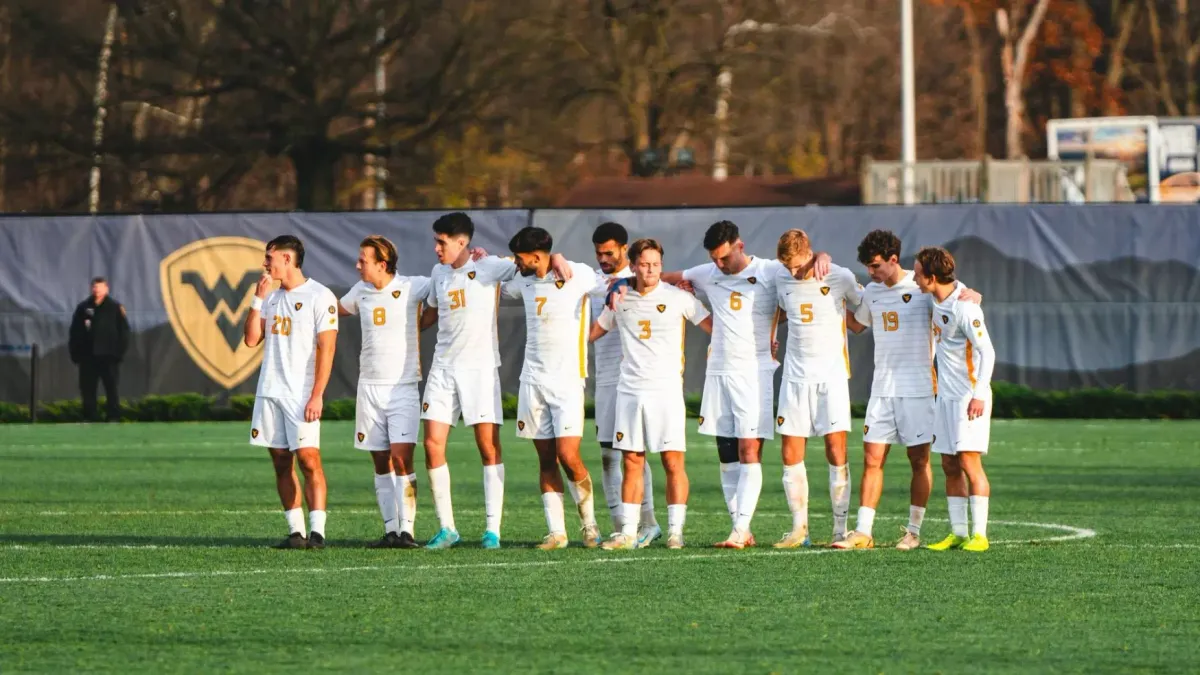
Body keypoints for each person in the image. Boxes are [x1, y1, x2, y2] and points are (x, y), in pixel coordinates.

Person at [420, 212, 570, 550]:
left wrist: (557, 255)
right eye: (436, 241)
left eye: (441, 242)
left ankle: (492, 531)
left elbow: (534, 262)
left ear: (462, 242)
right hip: (442, 369)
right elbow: (430, 311)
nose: (436, 249)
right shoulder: (438, 273)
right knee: (431, 445)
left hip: (480, 370)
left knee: (488, 448)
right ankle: (447, 528)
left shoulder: (491, 267)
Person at [833, 230, 980, 551]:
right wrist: (826, 300)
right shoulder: (872, 292)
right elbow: (858, 325)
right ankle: (863, 532)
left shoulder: (923, 285)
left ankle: (913, 532)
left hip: (920, 391)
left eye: (875, 266)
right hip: (882, 390)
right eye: (868, 267)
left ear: (893, 260)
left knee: (918, 461)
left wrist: (975, 295)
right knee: (872, 458)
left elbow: (959, 295)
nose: (871, 273)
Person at [590, 238, 713, 550]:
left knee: (673, 462)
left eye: (656, 264)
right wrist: (565, 343)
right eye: (644, 264)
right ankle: (628, 534)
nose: (651, 270)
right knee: (631, 460)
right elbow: (596, 331)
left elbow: (712, 325)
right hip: (629, 391)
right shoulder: (619, 297)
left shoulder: (677, 297)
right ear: (633, 265)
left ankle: (675, 532)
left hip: (666, 391)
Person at [504, 226, 602, 549]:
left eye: (521, 258)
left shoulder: (577, 275)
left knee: (568, 455)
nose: (516, 263)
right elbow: (496, 279)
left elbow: (609, 280)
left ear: (536, 256)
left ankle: (590, 525)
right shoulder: (522, 279)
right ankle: (557, 532)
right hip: (532, 381)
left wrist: (559, 257)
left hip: (568, 381)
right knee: (545, 459)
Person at [243, 235, 339, 549]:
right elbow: (250, 339)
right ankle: (296, 532)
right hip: (270, 391)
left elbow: (327, 349)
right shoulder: (270, 297)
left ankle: (318, 533)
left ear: (287, 259)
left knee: (309, 460)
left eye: (269, 258)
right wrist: (257, 300)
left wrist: (317, 394)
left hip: (301, 394)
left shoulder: (319, 295)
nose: (265, 264)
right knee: (281, 461)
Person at [771, 229, 864, 547]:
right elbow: (778, 309)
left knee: (836, 450)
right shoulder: (780, 277)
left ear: (809, 252)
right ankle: (799, 530)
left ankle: (840, 530)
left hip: (831, 378)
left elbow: (864, 311)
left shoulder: (840, 276)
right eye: (788, 267)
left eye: (798, 266)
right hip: (794, 379)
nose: (793, 273)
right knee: (789, 452)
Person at [339, 235, 432, 549]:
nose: (357, 265)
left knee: (402, 459)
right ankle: (391, 530)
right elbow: (330, 311)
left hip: (403, 388)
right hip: (369, 388)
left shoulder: (413, 286)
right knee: (380, 462)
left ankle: (408, 530)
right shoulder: (359, 292)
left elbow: (444, 292)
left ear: (383, 264)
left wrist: (422, 323)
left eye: (363, 260)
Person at [913, 247, 995, 553]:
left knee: (969, 463)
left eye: (918, 274)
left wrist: (978, 394)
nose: (915, 279)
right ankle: (959, 533)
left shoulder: (966, 307)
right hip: (945, 398)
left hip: (968, 398)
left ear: (932, 278)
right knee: (949, 464)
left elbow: (987, 352)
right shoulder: (936, 298)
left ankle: (980, 535)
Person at [589, 222, 660, 547]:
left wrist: (622, 282)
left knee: (634, 453)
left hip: (634, 378)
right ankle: (620, 524)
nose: (603, 258)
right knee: (607, 454)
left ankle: (649, 521)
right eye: (599, 253)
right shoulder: (589, 282)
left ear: (623, 249)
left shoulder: (637, 283)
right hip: (604, 379)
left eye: (609, 252)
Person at [68, 277, 130, 422]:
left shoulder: (115, 307)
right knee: (88, 388)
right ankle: (90, 416)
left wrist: (119, 353)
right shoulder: (84, 307)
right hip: (88, 356)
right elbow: (75, 331)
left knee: (111, 387)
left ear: (106, 289)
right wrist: (75, 353)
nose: (97, 290)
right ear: (92, 289)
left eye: (100, 287)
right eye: (95, 287)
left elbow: (124, 332)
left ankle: (113, 415)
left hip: (109, 355)